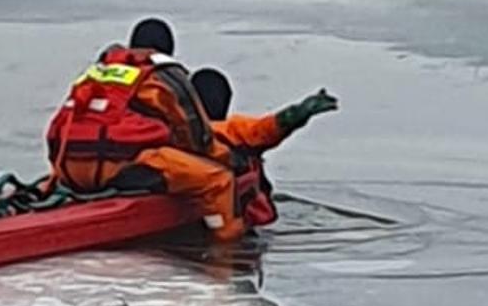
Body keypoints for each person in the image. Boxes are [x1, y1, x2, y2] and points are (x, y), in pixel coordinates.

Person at [46, 18, 247, 241]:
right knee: (220, 181)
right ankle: (227, 253)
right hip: (122, 170)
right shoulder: (164, 75)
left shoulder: (99, 71)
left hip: (69, 169)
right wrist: (235, 161)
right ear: (169, 50)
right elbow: (199, 141)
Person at [189, 67, 337, 226]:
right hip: (242, 217)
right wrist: (298, 113)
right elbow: (269, 129)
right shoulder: (237, 131)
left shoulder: (177, 131)